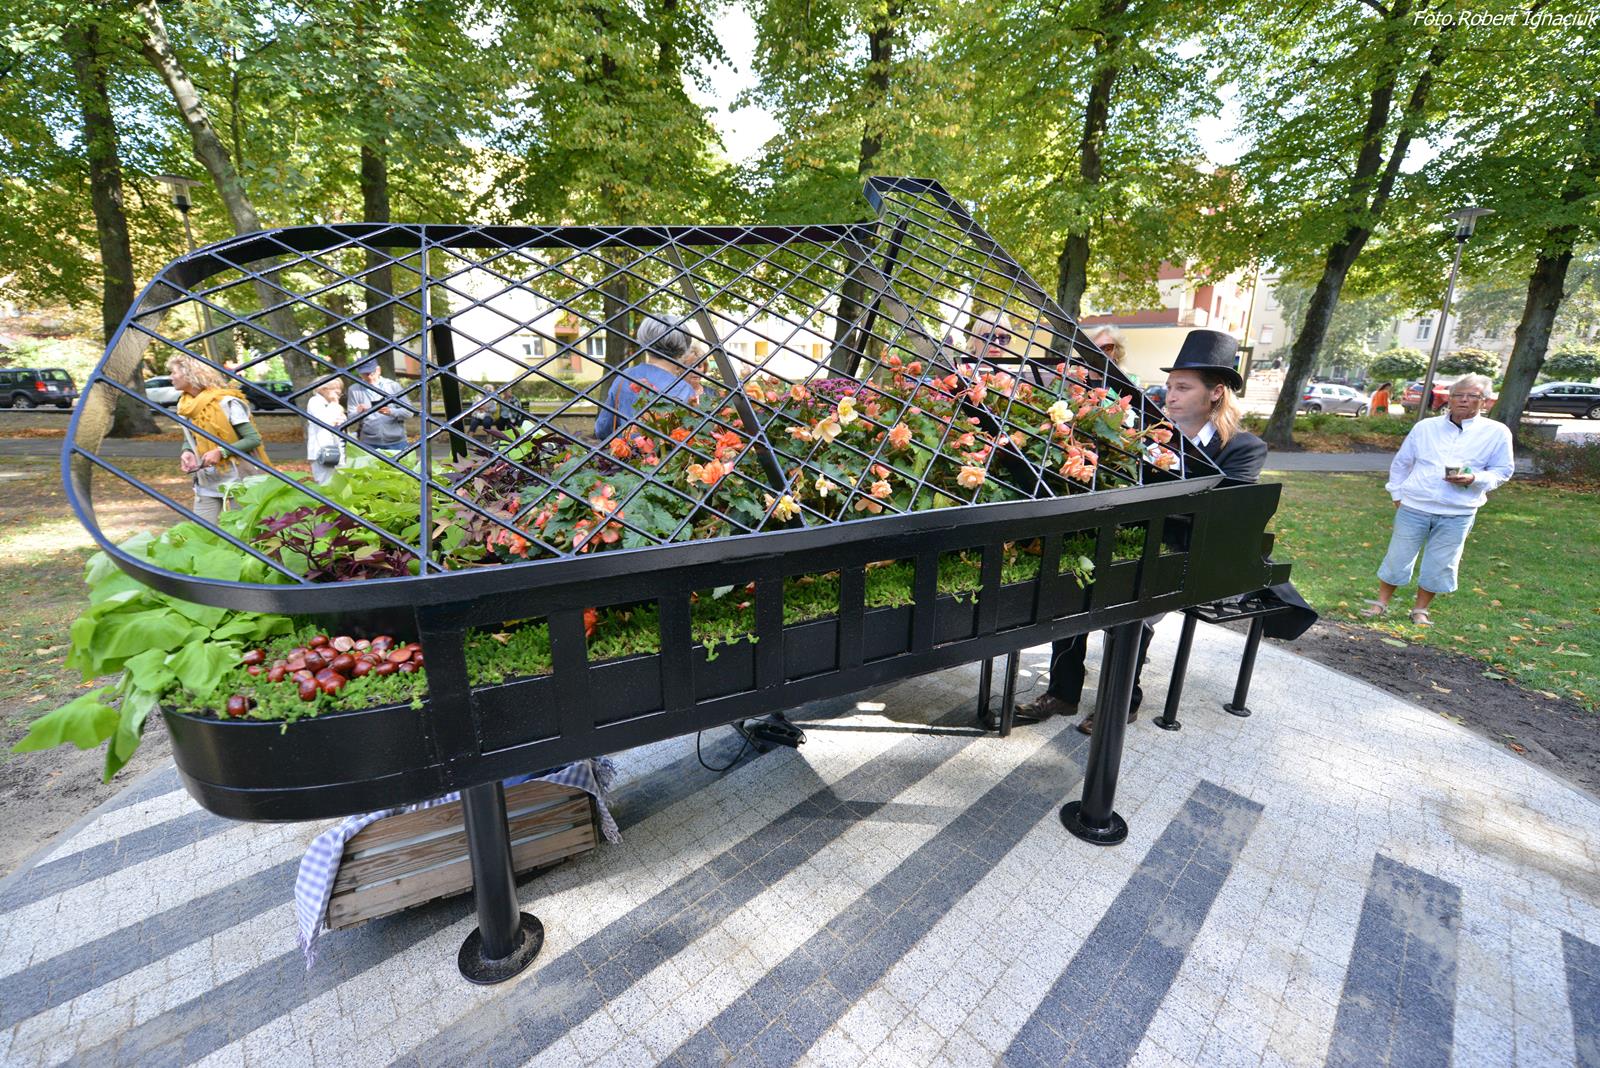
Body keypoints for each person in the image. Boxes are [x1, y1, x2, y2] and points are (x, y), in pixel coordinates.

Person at [1017, 329, 1268, 732]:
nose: (1171, 395)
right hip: (1135, 541)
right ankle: (1063, 693)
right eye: (1170, 386)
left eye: (1183, 387)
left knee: (1129, 598)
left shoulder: (1242, 447)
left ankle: (1122, 699)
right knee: (1069, 587)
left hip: (1187, 554)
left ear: (1216, 392)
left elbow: (1224, 515)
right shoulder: (1147, 436)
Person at [1362, 373, 1513, 627]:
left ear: (1485, 401)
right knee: (1398, 556)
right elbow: (1402, 463)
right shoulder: (1426, 427)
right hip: (1415, 505)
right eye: (1458, 395)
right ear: (1449, 399)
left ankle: (1420, 610)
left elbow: (1503, 471)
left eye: (1472, 396)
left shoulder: (1496, 433)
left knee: (1441, 562)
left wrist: (1475, 478)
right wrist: (1397, 494)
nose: (1463, 400)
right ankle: (1380, 603)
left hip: (1458, 511)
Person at [169, 353, 270, 523]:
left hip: (238, 478)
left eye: (174, 372)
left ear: (189, 374)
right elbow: (192, 436)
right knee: (201, 531)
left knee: (242, 530)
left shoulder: (227, 403)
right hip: (206, 480)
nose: (170, 377)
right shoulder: (186, 406)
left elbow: (253, 439)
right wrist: (187, 451)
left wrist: (221, 452)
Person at [593, 315, 704, 440]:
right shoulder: (685, 390)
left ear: (644, 340)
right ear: (683, 346)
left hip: (626, 451)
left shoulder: (623, 378)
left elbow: (602, 429)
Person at [347, 359, 411, 454]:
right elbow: (350, 418)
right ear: (359, 373)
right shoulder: (354, 389)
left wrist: (391, 411)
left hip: (396, 442)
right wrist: (359, 412)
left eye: (371, 372)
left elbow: (409, 412)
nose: (369, 376)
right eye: (364, 373)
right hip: (369, 443)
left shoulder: (393, 386)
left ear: (378, 370)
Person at [305, 377, 346, 484]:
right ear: (323, 389)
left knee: (341, 481)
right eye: (335, 390)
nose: (338, 393)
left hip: (338, 448)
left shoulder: (332, 404)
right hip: (323, 450)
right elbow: (325, 421)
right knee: (325, 483)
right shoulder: (315, 402)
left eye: (339, 391)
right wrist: (334, 403)